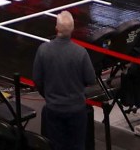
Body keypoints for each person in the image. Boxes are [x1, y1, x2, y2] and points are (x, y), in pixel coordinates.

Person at [32, 10, 97, 150]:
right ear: (72, 29)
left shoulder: (43, 50)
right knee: (77, 146)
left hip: (53, 108)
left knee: (55, 146)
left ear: (56, 28)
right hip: (76, 110)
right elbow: (91, 79)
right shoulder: (80, 52)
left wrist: (49, 95)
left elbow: (37, 80)